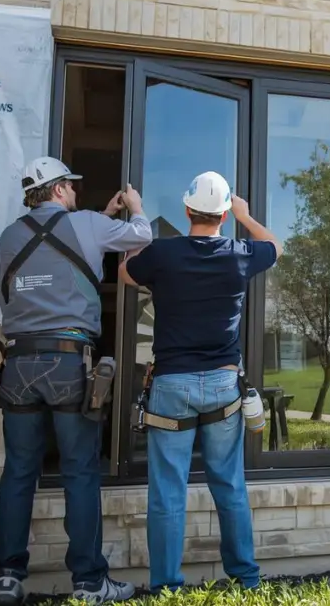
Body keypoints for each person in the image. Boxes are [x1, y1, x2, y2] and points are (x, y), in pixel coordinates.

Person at [0, 157, 153, 605]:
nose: (76, 193)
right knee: (80, 472)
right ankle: (89, 583)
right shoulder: (85, 225)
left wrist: (98, 218)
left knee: (19, 471)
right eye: (72, 187)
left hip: (18, 364)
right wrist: (134, 207)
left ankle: (6, 578)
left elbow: (32, 268)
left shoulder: (9, 235)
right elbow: (143, 236)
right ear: (59, 190)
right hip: (67, 363)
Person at [118, 171, 281, 594]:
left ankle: (166, 588)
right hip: (223, 388)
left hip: (172, 385)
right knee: (228, 482)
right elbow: (277, 247)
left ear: (187, 209)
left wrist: (137, 212)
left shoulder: (164, 254)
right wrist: (246, 217)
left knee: (168, 490)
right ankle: (245, 579)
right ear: (224, 214)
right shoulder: (240, 253)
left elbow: (126, 272)